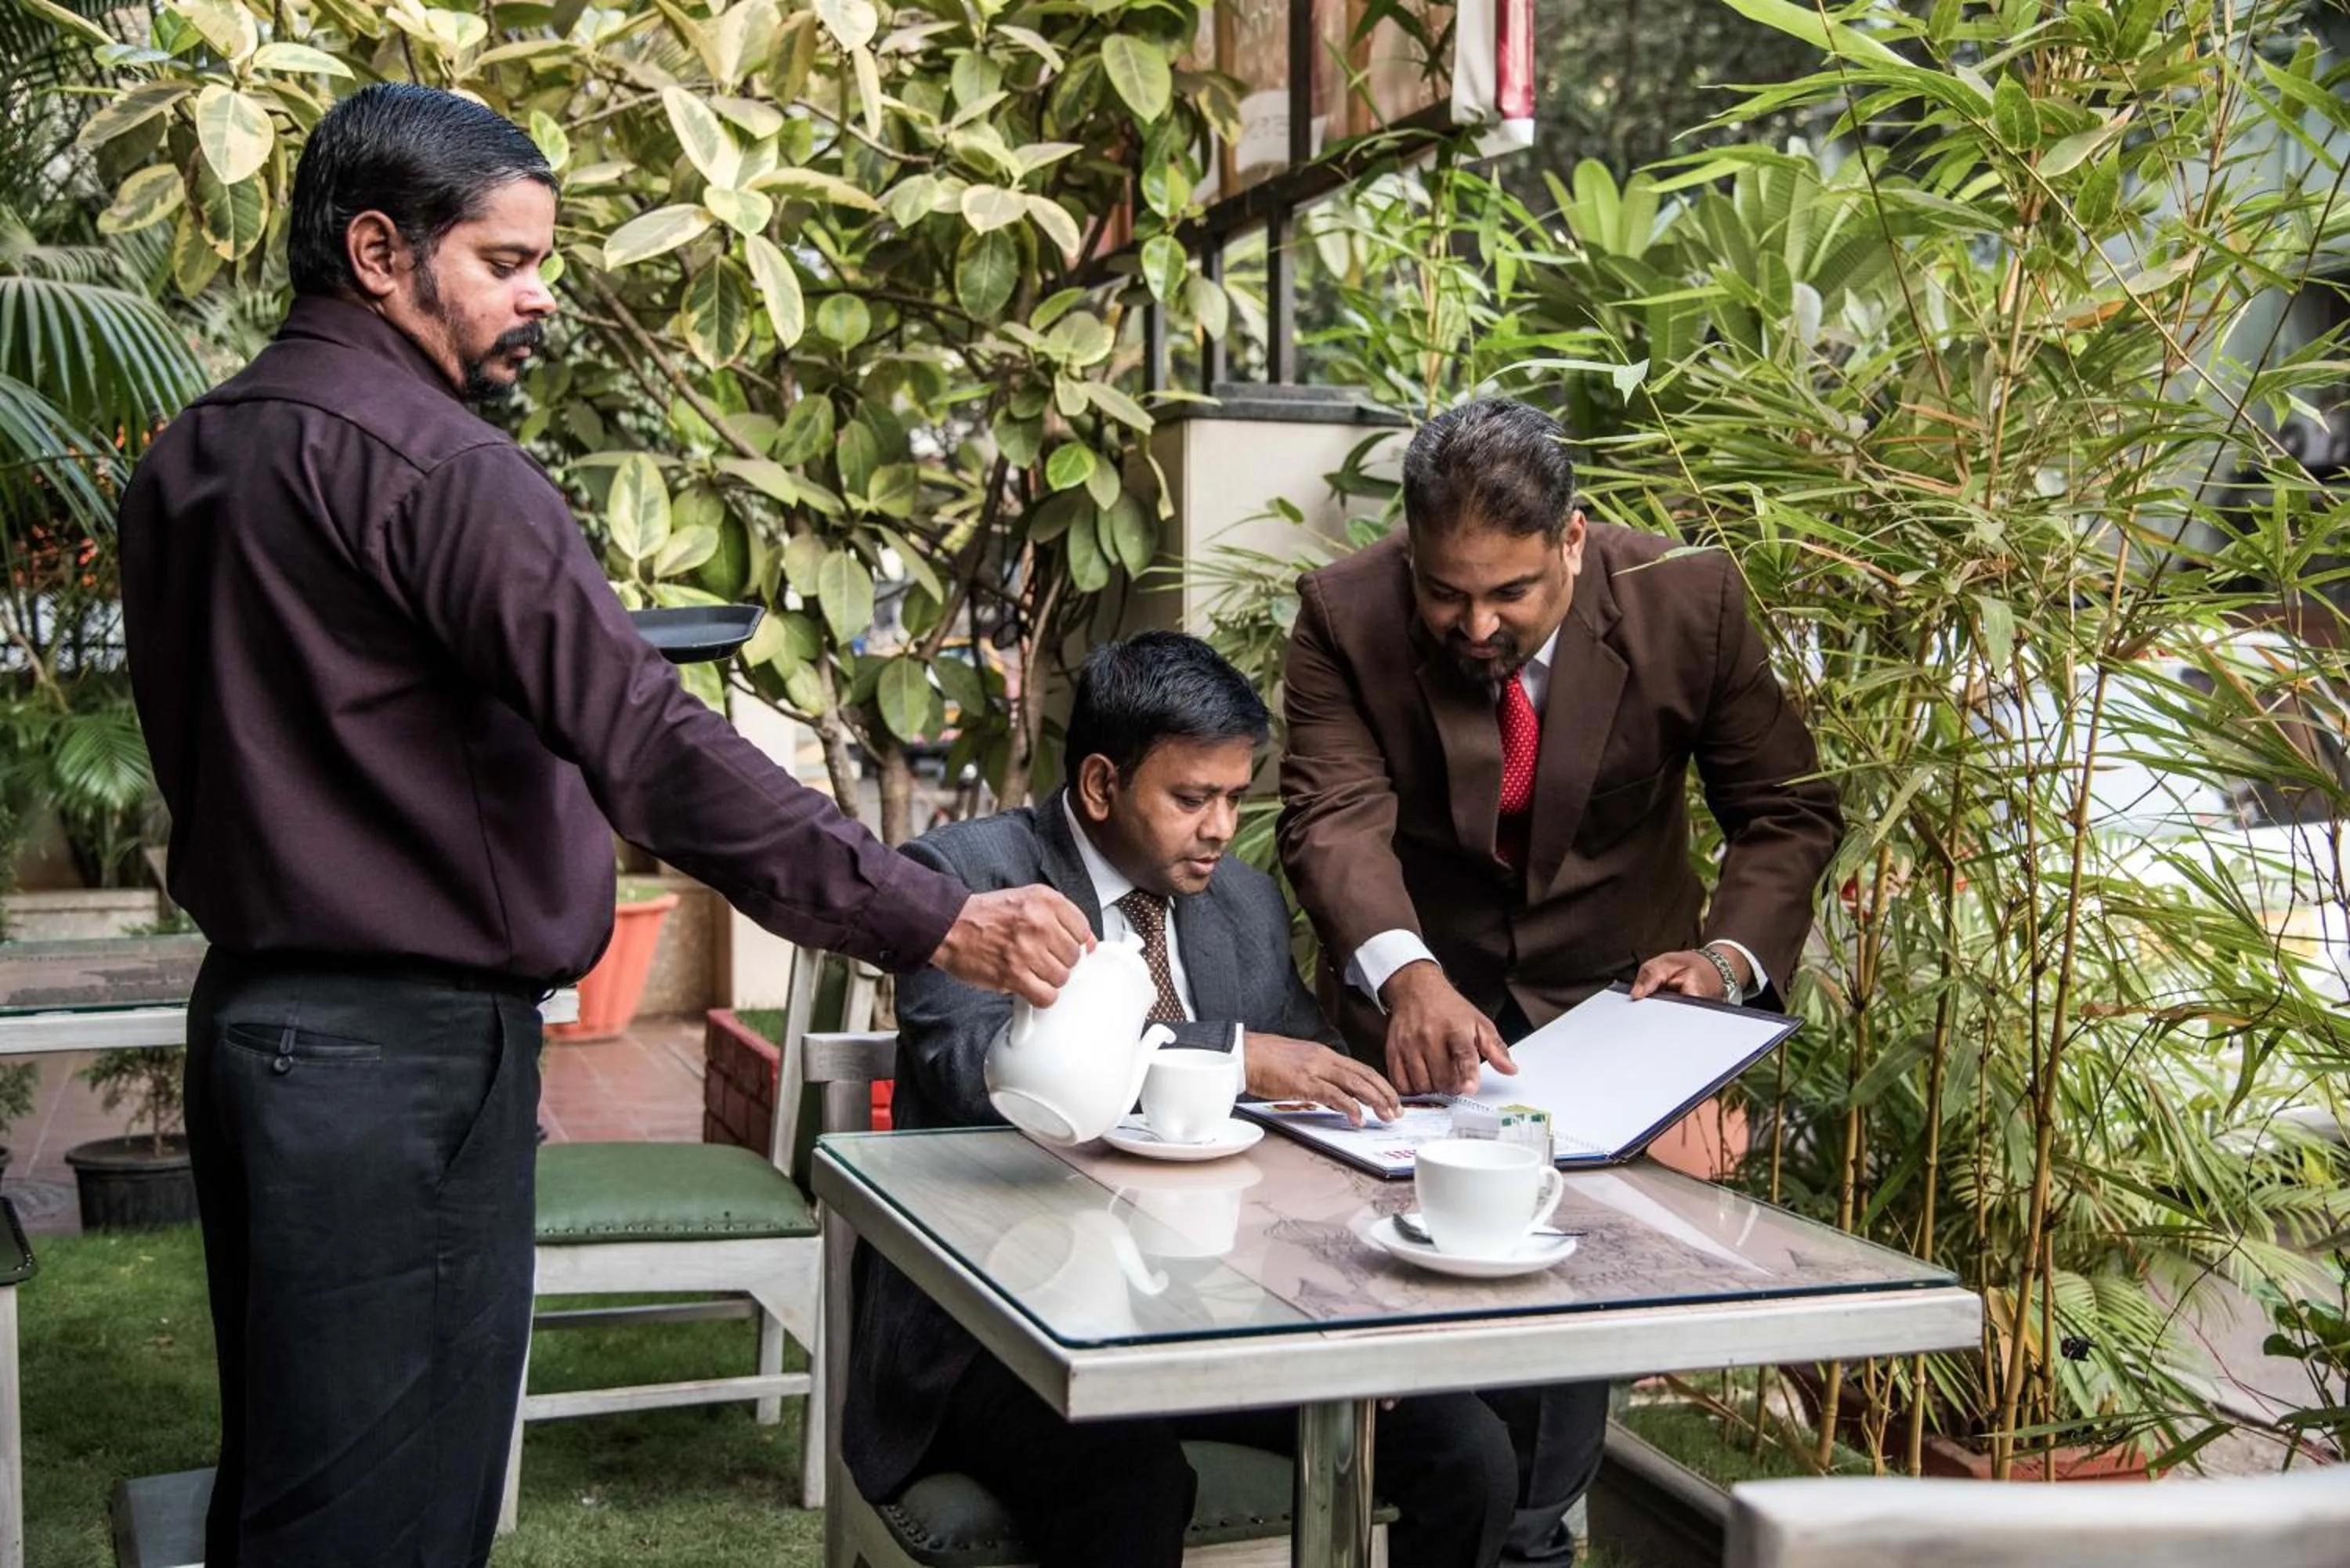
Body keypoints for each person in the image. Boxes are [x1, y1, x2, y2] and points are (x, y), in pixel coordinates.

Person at [115, 84, 1090, 1568]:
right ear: (380, 251)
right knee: (388, 1519)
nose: (538, 296)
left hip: (255, 1034)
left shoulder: (188, 458)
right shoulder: (452, 475)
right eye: (505, 261)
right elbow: (649, 742)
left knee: (293, 1487)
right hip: (401, 1068)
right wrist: (932, 911)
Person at [1278, 397, 1846, 1562]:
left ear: (1574, 541)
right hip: (1414, 1047)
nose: (1474, 622)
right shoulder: (1344, 612)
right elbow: (1332, 817)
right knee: (1421, 1375)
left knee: (1556, 1389)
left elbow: (1786, 810)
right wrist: (1409, 974)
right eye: (1446, 591)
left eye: (1510, 594)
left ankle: (1532, 1539)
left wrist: (1727, 962)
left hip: (1610, 1047)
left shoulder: (1693, 599)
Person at [842, 630, 1528, 1568]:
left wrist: (1356, 1296)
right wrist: (1233, 1058)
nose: (1218, 826)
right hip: (1000, 1326)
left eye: (1235, 797)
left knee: (1470, 1456)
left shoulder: (1241, 902)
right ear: (1098, 785)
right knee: (1133, 1484)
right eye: (1191, 797)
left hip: (1224, 1308)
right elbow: (970, 1073)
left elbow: (1310, 1079)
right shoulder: (968, 880)